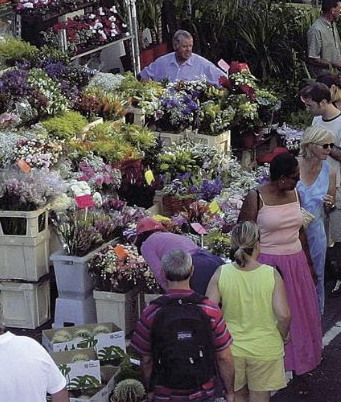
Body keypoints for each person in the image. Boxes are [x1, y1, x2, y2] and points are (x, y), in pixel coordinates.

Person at [237, 154, 322, 379]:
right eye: (295, 177)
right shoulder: (255, 197)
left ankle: (299, 359)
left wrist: (310, 263)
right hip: (267, 265)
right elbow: (243, 236)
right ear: (282, 179)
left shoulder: (295, 193)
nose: (298, 181)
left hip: (296, 263)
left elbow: (301, 230)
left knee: (298, 315)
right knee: (271, 316)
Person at [131, 250, 236, 402]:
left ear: (164, 273)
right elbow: (224, 357)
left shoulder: (151, 312)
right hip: (203, 391)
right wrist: (230, 392)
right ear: (192, 271)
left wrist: (150, 389)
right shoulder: (210, 309)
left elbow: (147, 360)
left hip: (165, 392)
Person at [206, 222, 290, 402]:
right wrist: (283, 335)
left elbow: (208, 313)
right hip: (264, 347)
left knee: (237, 395)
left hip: (231, 348)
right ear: (257, 244)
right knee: (260, 396)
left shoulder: (222, 272)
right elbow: (284, 315)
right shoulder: (271, 274)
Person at [300, 82, 341, 295]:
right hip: (316, 182)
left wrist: (322, 145)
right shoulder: (316, 120)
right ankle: (323, 270)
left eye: (310, 105)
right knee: (317, 230)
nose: (308, 110)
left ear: (324, 102)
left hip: (340, 184)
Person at [295, 125, 338, 315]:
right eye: (325, 145)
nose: (329, 150)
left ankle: (315, 314)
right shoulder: (294, 165)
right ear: (311, 145)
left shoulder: (330, 171)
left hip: (316, 231)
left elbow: (330, 207)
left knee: (317, 274)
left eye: (331, 145)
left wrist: (330, 204)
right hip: (291, 231)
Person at [137, 217, 225, 295]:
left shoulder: (146, 245)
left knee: (201, 309)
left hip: (195, 266)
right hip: (212, 259)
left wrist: (171, 295)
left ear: (140, 235)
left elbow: (159, 272)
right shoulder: (168, 236)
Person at [142, 30, 228, 84]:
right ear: (175, 46)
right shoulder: (162, 62)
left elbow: (224, 80)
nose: (188, 50)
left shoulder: (202, 63)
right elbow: (143, 76)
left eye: (190, 46)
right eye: (184, 46)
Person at [306, 0, 341, 75]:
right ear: (333, 10)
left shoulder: (333, 25)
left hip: (337, 76)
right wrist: (333, 64)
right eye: (339, 8)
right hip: (324, 78)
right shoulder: (316, 30)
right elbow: (313, 58)